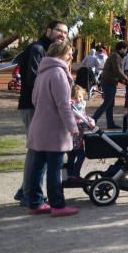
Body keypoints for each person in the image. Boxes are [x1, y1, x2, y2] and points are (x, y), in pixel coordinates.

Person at [15, 20, 69, 207]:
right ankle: (29, 193)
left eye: (65, 32)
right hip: (33, 106)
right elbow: (33, 81)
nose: (62, 34)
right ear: (48, 30)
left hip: (40, 107)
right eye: (59, 31)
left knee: (39, 151)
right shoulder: (38, 49)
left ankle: (27, 191)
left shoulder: (52, 52)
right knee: (36, 151)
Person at [25, 40, 80, 217]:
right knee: (55, 169)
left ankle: (35, 202)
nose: (72, 56)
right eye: (69, 53)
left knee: (38, 166)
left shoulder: (43, 72)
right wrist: (72, 126)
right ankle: (57, 204)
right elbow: (63, 105)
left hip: (39, 125)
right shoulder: (58, 72)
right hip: (54, 128)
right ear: (61, 54)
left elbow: (34, 99)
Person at [94, 41, 128, 129]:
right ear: (122, 49)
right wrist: (127, 79)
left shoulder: (115, 55)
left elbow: (115, 72)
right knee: (107, 103)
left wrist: (123, 81)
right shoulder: (116, 56)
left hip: (109, 81)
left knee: (110, 104)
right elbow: (117, 71)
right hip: (108, 82)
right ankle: (92, 120)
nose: (126, 51)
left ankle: (110, 123)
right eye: (125, 49)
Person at [64, 87, 94, 186]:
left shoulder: (80, 107)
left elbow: (83, 117)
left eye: (80, 97)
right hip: (74, 139)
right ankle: (75, 175)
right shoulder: (72, 109)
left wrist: (89, 120)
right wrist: (88, 123)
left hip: (77, 139)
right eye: (76, 98)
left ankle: (70, 176)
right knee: (80, 156)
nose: (79, 99)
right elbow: (79, 120)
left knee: (71, 158)